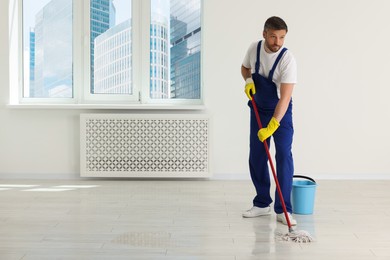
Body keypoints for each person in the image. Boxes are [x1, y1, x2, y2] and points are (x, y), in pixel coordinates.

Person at [241, 16, 297, 225]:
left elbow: (285, 98)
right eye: (273, 36)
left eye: (282, 37)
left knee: (283, 155)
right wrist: (247, 80)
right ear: (264, 34)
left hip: (280, 113)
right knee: (257, 155)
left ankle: (284, 210)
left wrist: (273, 125)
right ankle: (262, 203)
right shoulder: (254, 48)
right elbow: (245, 68)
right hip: (258, 109)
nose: (278, 42)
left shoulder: (287, 59)